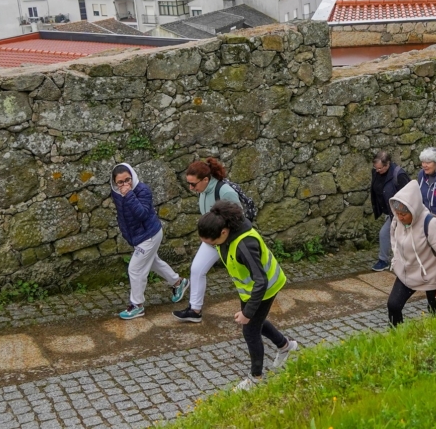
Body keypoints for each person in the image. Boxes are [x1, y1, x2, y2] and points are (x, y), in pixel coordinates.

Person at [197, 201, 297, 391]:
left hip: (265, 288)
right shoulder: (225, 235)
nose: (209, 246)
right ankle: (286, 346)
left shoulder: (244, 245)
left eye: (210, 242)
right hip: (250, 289)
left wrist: (248, 312)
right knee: (255, 323)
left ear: (224, 232)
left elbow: (261, 281)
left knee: (250, 330)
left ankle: (255, 378)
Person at [110, 163, 188, 320]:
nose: (125, 185)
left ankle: (137, 305)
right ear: (114, 183)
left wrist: (129, 194)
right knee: (153, 262)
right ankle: (178, 283)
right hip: (138, 237)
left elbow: (142, 214)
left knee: (135, 269)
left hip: (149, 235)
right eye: (120, 182)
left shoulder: (142, 190)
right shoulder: (116, 193)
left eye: (128, 180)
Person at [173, 158, 242, 323]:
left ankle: (252, 309)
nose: (191, 188)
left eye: (193, 184)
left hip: (229, 240)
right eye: (189, 184)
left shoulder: (225, 191)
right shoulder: (203, 190)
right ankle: (195, 311)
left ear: (206, 179)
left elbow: (239, 219)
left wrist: (224, 237)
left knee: (240, 275)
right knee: (197, 269)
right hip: (212, 240)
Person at [386, 180, 436, 326]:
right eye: (397, 213)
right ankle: (397, 338)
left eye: (404, 214)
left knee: (435, 312)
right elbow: (393, 239)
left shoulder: (431, 224)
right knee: (393, 305)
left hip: (431, 276)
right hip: (406, 273)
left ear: (413, 210)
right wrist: (396, 259)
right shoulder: (397, 221)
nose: (400, 217)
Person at [370, 151, 411, 272]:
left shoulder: (399, 175)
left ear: (387, 164)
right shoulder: (376, 173)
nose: (377, 170)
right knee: (389, 234)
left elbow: (408, 195)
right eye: (375, 168)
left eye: (380, 168)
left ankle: (390, 261)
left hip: (401, 212)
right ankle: (388, 260)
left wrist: (404, 215)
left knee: (394, 235)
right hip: (389, 212)